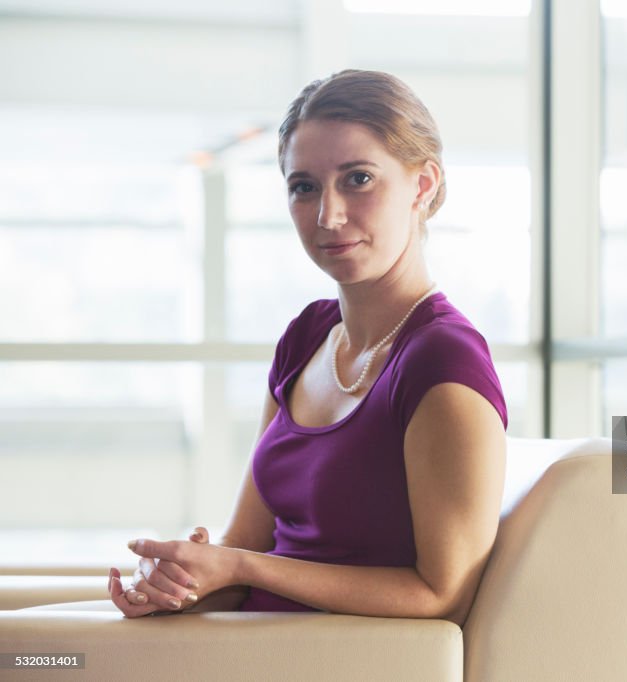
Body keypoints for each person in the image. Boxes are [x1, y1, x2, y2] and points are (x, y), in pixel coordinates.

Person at [106, 70, 508, 626]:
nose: (328, 216)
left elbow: (442, 593)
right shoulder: (308, 336)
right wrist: (188, 580)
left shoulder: (442, 362)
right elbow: (247, 540)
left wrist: (244, 568)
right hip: (249, 647)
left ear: (424, 185)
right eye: (304, 186)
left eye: (358, 179)